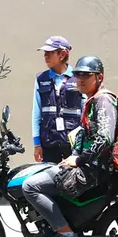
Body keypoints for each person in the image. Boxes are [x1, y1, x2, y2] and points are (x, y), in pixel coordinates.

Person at [23, 56, 116, 237]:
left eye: (86, 75)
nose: (80, 79)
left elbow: (105, 139)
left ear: (99, 77)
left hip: (91, 170)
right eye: (77, 74)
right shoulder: (92, 100)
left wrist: (78, 160)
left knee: (30, 186)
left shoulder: (103, 100)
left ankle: (66, 235)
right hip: (84, 163)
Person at [32, 36, 82, 164]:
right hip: (49, 143)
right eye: (44, 53)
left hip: (73, 144)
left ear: (62, 54)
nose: (45, 56)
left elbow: (85, 111)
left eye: (49, 53)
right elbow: (36, 113)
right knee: (48, 180)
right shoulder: (41, 79)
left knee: (72, 180)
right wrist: (37, 144)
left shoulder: (78, 78)